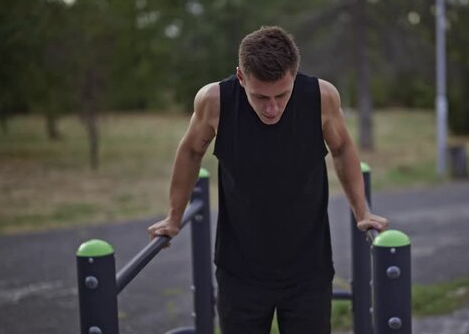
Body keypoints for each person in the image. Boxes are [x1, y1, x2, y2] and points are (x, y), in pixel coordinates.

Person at [148, 26, 388, 334]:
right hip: (240, 270)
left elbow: (341, 148)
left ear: (294, 74)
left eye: (282, 94)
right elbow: (191, 152)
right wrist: (173, 216)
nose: (272, 108)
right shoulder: (215, 101)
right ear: (241, 77)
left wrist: (362, 212)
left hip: (308, 269)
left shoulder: (321, 97)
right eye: (260, 96)